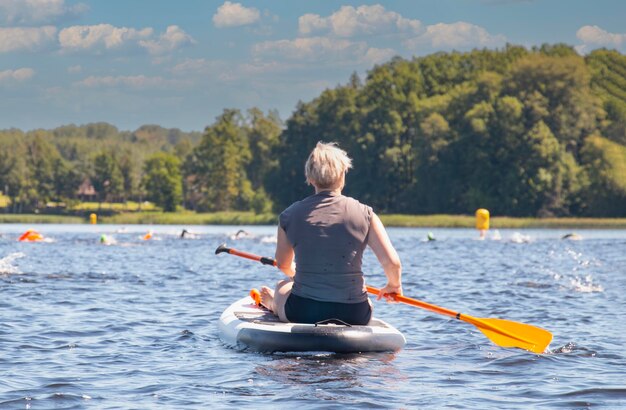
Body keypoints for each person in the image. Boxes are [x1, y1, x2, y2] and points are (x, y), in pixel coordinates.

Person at [259, 142, 403, 325]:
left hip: (303, 311)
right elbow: (392, 263)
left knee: (282, 285)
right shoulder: (366, 214)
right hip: (355, 313)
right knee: (364, 295)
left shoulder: (288, 215)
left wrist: (295, 274)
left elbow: (283, 264)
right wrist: (394, 285)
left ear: (310, 178)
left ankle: (273, 304)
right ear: (343, 175)